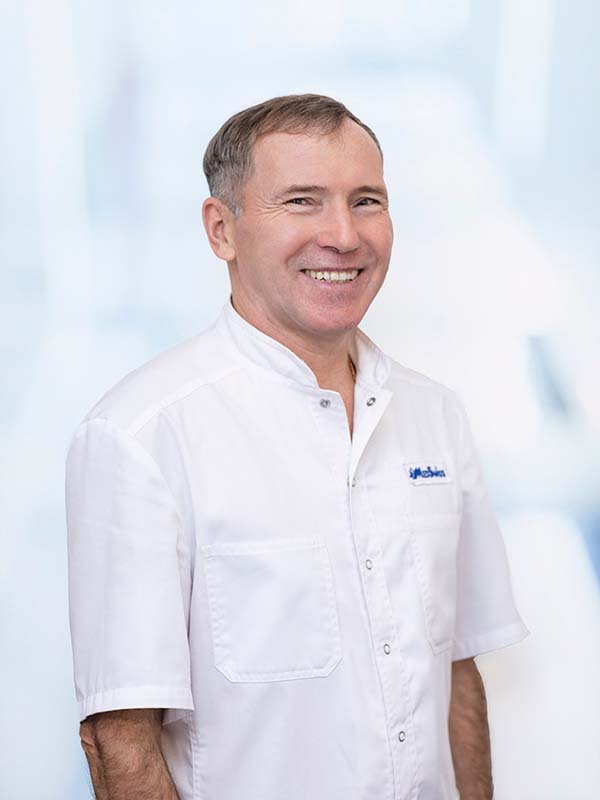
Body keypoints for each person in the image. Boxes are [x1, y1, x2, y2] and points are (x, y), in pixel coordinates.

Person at [65, 93, 530, 800]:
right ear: (222, 229)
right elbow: (119, 735)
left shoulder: (435, 415)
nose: (343, 235)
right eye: (302, 202)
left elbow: (457, 670)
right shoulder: (140, 436)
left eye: (366, 201)